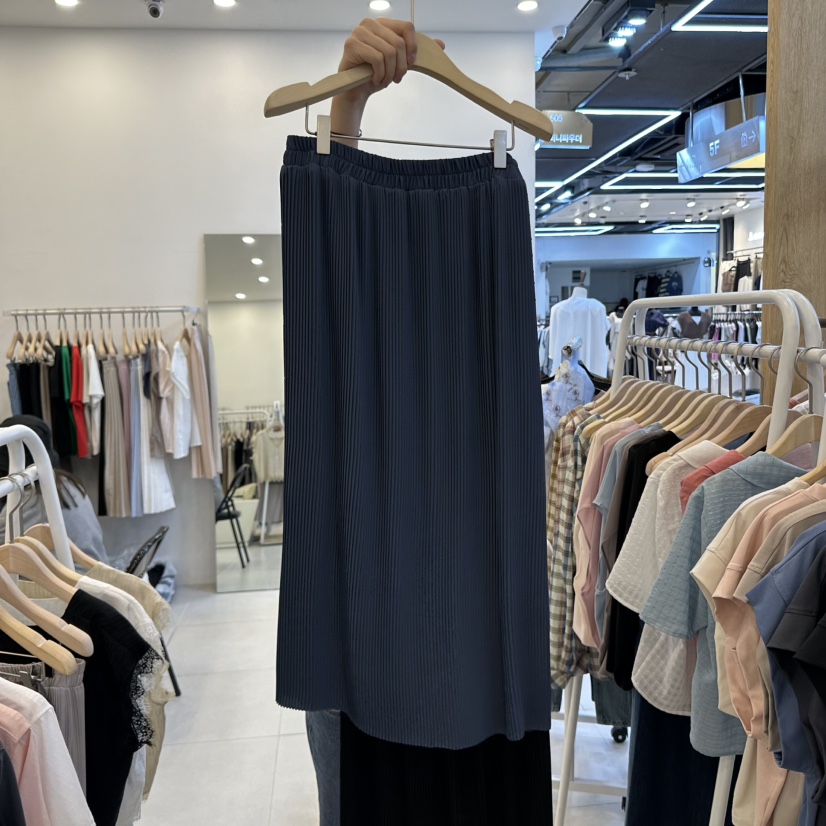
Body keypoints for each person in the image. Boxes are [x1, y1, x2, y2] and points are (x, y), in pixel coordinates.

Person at [304, 17, 444, 826]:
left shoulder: (476, 347)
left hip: (452, 581)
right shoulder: (342, 353)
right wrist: (346, 111)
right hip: (355, 586)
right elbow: (335, 245)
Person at [0, 414, 112, 565]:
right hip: (97, 571)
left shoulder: (27, 502)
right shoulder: (68, 483)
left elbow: (5, 551)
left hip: (73, 578)